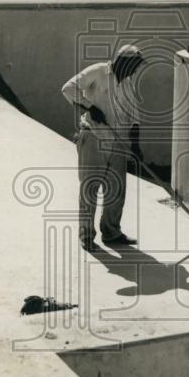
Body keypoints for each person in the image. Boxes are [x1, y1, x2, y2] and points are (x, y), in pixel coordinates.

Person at [61, 45, 145, 252]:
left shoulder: (128, 83)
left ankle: (111, 232)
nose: (135, 71)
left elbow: (134, 118)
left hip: (117, 142)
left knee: (116, 190)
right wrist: (90, 107)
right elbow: (68, 88)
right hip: (93, 136)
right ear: (122, 62)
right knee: (90, 189)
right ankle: (87, 235)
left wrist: (136, 146)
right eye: (133, 66)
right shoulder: (97, 72)